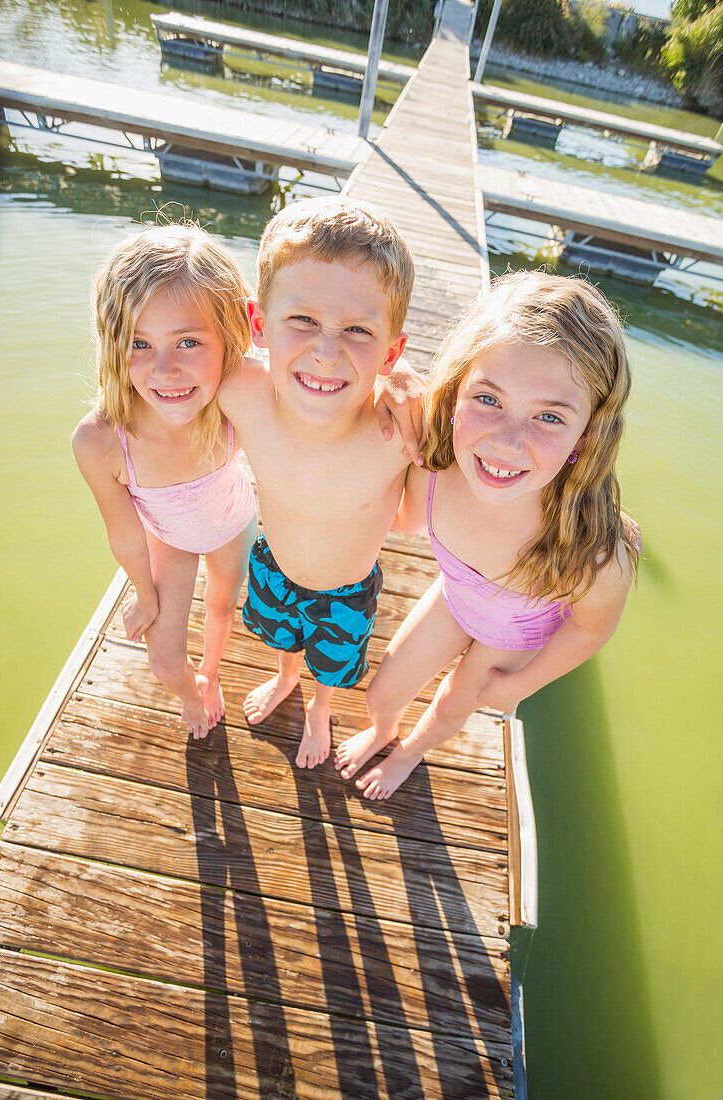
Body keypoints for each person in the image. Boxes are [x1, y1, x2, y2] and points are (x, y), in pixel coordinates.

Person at [73, 220, 422, 741]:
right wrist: (145, 592)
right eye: (138, 343)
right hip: (220, 552)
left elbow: (323, 378)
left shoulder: (231, 397)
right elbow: (124, 528)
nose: (167, 370)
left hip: (290, 554)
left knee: (277, 636)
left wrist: (406, 380)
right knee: (222, 650)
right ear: (258, 322)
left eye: (188, 342)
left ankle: (269, 693)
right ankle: (239, 685)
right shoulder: (212, 397)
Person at [335, 270, 641, 799]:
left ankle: (409, 753)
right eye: (489, 400)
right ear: (453, 394)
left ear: (586, 436)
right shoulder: (433, 465)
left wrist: (521, 685)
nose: (506, 442)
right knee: (382, 692)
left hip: (515, 635)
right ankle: (385, 730)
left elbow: (589, 631)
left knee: (454, 702)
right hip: (456, 596)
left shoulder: (592, 552)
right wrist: (394, 376)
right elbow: (404, 516)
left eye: (548, 416)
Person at [217, 197, 419, 769]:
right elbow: (171, 367)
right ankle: (285, 680)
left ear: (391, 351)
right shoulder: (241, 392)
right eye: (301, 320)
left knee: (331, 662)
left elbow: (414, 519)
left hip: (348, 589)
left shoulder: (399, 432)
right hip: (271, 563)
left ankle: (320, 707)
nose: (326, 352)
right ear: (259, 324)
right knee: (280, 639)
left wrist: (409, 390)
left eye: (358, 331)